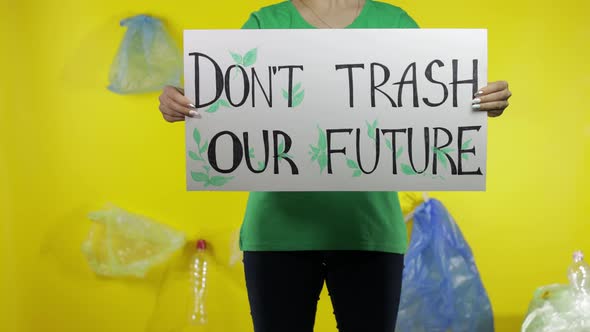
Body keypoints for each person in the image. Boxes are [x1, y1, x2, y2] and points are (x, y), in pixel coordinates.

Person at [157, 1, 512, 331]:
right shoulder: (265, 23)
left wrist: (479, 104)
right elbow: (228, 98)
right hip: (278, 234)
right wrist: (180, 102)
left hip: (369, 233)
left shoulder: (394, 23)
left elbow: (431, 102)